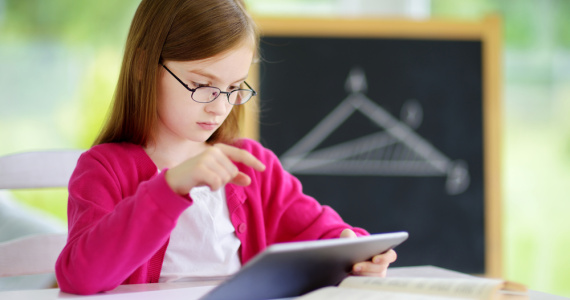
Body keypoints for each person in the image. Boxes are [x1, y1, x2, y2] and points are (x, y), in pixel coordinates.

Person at [55, 0, 397, 295]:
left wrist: (356, 251)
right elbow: (80, 277)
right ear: (145, 66)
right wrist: (170, 187)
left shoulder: (251, 166)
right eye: (202, 85)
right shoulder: (104, 169)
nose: (220, 107)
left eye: (235, 87)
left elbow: (319, 230)